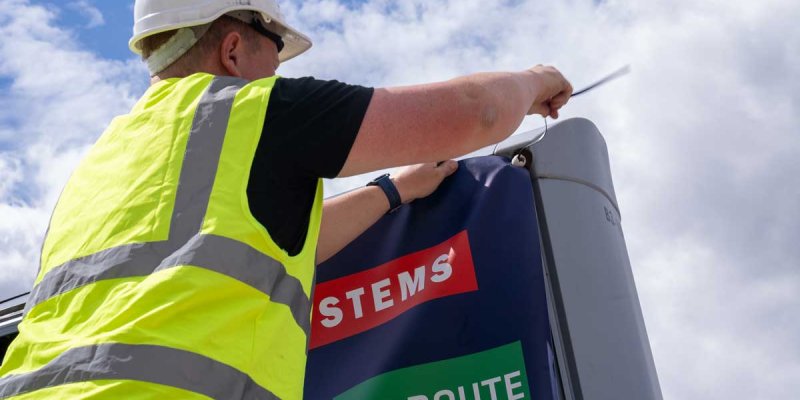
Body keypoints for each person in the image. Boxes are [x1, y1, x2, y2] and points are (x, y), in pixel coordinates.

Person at [0, 1, 573, 399]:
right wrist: (536, 78)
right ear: (232, 48)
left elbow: (247, 245)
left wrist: (392, 191)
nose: (277, 68)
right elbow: (478, 113)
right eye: (275, 49)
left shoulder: (96, 167)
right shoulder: (249, 111)